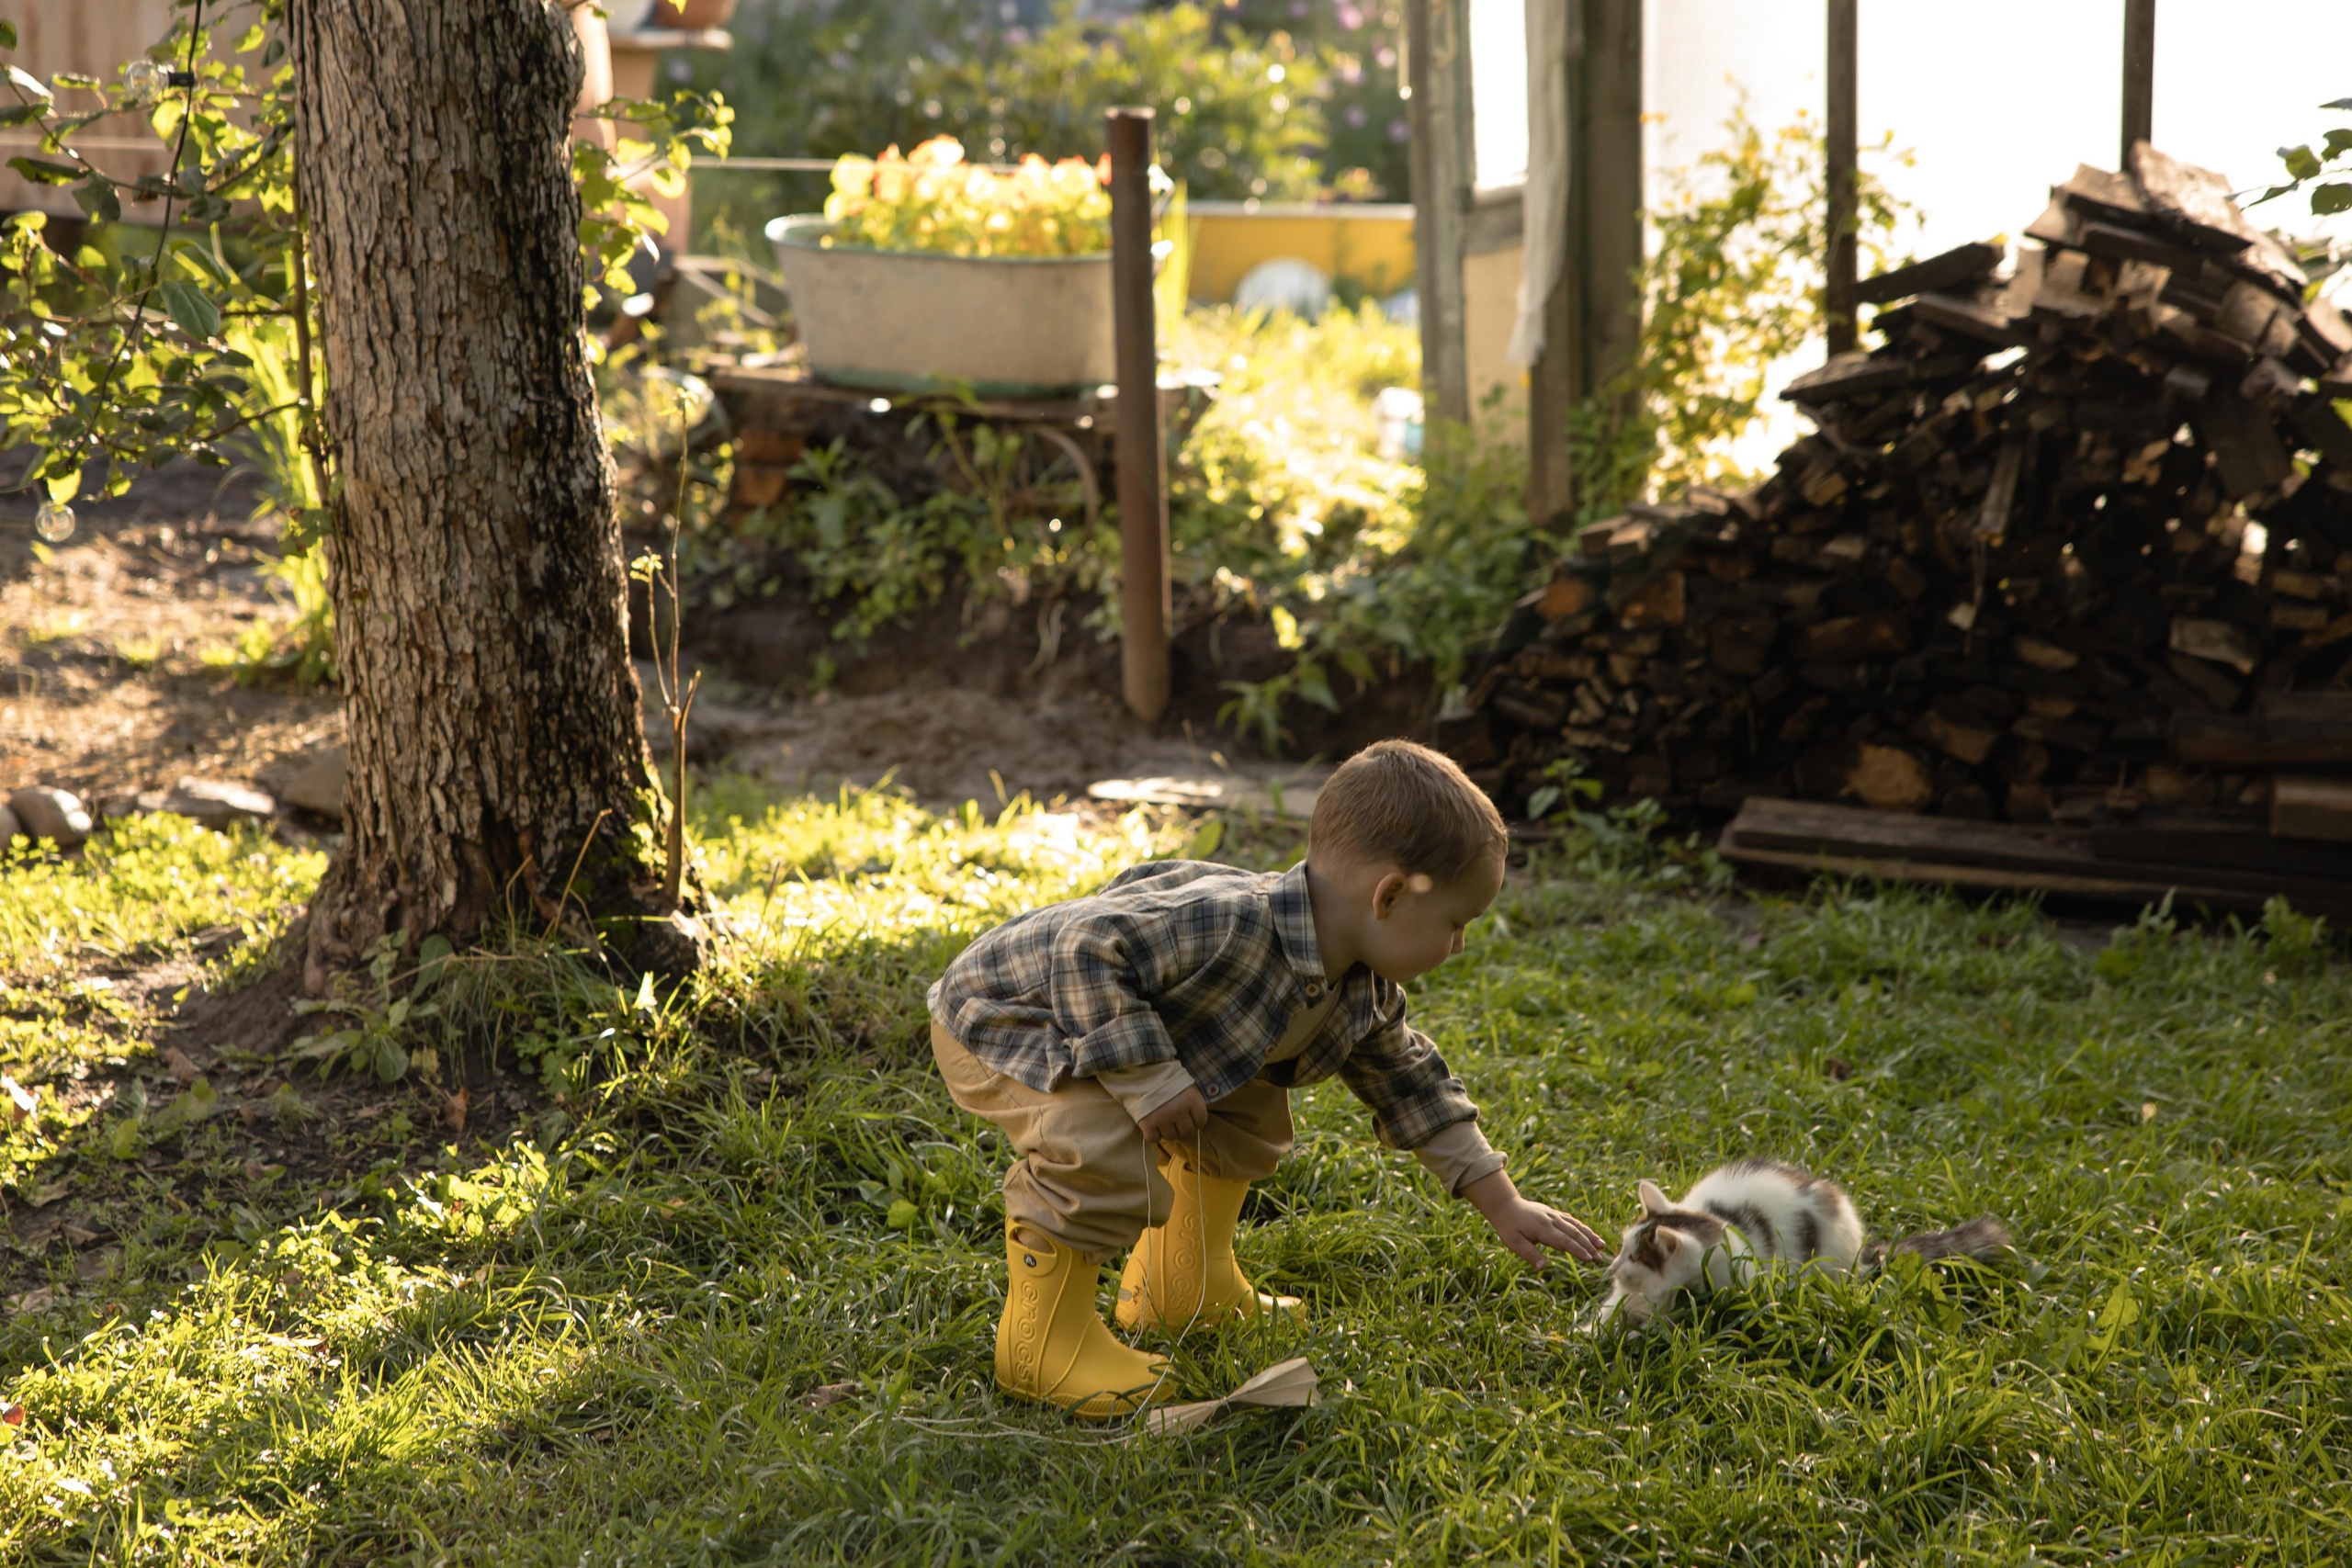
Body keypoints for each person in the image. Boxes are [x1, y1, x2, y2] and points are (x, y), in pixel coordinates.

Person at [928, 739, 1611, 1419]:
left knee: (1250, 1105)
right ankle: (1042, 1345)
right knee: (1102, 1143)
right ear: (1391, 894)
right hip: (1010, 1017)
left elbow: (1413, 1084)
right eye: (1456, 923)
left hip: (1092, 1019)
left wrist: (1504, 1203)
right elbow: (1084, 949)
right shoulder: (1229, 925)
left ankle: (1182, 1286)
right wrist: (1150, 1080)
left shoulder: (1358, 989)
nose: (1459, 944)